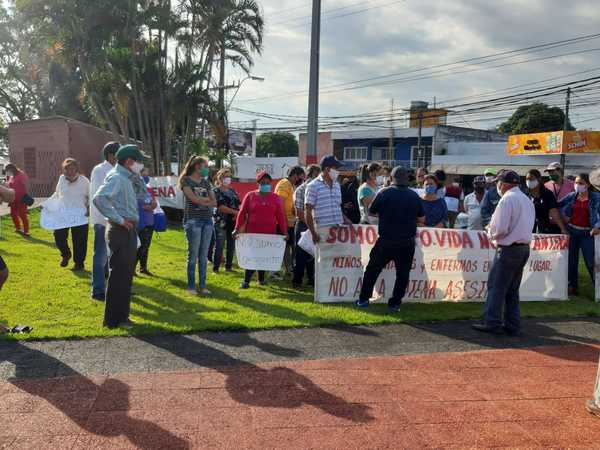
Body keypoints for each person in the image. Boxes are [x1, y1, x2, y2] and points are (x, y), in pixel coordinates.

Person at [473, 170, 535, 336]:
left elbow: (500, 229)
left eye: (497, 182)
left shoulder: (507, 199)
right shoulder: (526, 199)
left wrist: (489, 232)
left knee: (497, 287)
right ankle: (512, 324)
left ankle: (491, 322)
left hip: (508, 249)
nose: (496, 185)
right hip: (523, 248)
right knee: (512, 289)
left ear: (504, 183)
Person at [93, 144, 149, 329]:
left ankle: (122, 317)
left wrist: (138, 178)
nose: (141, 165)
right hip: (120, 229)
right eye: (139, 161)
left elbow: (142, 195)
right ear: (129, 161)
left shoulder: (128, 177)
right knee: (119, 277)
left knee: (125, 277)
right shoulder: (117, 177)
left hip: (128, 229)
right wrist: (118, 218)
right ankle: (113, 320)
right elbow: (99, 198)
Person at [355, 166, 425, 312]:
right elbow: (422, 218)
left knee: (372, 269)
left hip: (386, 240)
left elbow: (372, 212)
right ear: (406, 179)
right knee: (403, 274)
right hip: (407, 242)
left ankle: (363, 299)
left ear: (392, 178)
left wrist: (388, 214)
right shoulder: (414, 195)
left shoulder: (384, 193)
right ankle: (395, 304)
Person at [234, 171, 287, 289]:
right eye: (263, 182)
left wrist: (284, 232)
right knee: (252, 256)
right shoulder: (250, 196)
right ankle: (246, 281)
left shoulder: (275, 198)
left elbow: (281, 216)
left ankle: (261, 280)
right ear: (258, 183)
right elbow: (242, 213)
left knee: (264, 256)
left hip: (269, 233)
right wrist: (237, 228)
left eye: (268, 183)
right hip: (252, 233)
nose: (266, 185)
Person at [178, 156, 217, 296]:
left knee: (203, 255)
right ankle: (190, 286)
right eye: (205, 166)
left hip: (207, 220)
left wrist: (203, 201)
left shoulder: (206, 183)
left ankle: (202, 286)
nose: (207, 169)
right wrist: (206, 200)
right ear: (197, 166)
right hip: (193, 221)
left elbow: (214, 202)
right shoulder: (186, 180)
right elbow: (193, 199)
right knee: (193, 255)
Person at [560, 173, 600, 297]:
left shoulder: (596, 197)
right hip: (572, 231)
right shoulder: (572, 196)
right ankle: (573, 287)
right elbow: (556, 205)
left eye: (581, 183)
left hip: (587, 233)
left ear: (588, 185)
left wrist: (598, 226)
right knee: (571, 261)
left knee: (590, 262)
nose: (577, 185)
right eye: (576, 183)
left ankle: (598, 288)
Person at [90, 142, 119, 301]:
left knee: (113, 255)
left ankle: (113, 287)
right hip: (103, 220)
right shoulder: (100, 170)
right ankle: (97, 290)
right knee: (100, 255)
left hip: (117, 220)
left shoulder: (118, 171)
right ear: (110, 155)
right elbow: (99, 196)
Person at [50, 158, 90, 270]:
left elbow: (91, 196)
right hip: (63, 214)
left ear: (77, 169)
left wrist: (89, 208)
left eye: (72, 168)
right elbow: (57, 194)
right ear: (64, 170)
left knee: (79, 240)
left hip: (80, 215)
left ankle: (79, 263)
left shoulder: (84, 181)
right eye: (66, 169)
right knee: (58, 236)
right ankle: (66, 254)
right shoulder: (62, 179)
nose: (69, 171)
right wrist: (49, 203)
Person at [306, 155, 348, 245]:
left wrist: (348, 222)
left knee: (338, 258)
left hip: (339, 233)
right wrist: (313, 233)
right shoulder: (313, 186)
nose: (338, 171)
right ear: (327, 169)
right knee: (323, 259)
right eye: (336, 168)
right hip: (322, 233)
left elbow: (338, 207)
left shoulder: (337, 185)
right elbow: (308, 211)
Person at [292, 164, 321, 290]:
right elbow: (299, 212)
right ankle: (297, 281)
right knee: (301, 255)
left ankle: (311, 280)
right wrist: (312, 225)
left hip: (314, 224)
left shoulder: (315, 188)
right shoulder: (301, 189)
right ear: (314, 174)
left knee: (312, 254)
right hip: (304, 225)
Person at [275, 166, 305, 275]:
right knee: (286, 246)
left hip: (291, 221)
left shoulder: (290, 185)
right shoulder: (284, 184)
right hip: (284, 222)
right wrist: (283, 222)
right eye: (299, 177)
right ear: (295, 175)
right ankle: (288, 268)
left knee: (292, 245)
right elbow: (280, 203)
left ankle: (291, 267)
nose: (300, 180)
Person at [213, 168, 240, 273]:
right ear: (220, 178)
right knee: (219, 244)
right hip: (221, 221)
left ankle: (228, 267)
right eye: (225, 177)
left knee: (231, 245)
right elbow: (220, 207)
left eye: (229, 177)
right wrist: (235, 213)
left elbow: (238, 204)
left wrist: (237, 214)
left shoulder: (233, 191)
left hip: (233, 221)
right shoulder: (216, 191)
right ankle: (216, 268)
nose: (228, 179)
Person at [525, 169, 567, 235]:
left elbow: (554, 212)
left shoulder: (547, 194)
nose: (528, 181)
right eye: (527, 179)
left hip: (543, 230)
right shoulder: (525, 194)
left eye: (531, 179)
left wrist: (563, 228)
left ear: (538, 179)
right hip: (527, 230)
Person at [136, 168, 158, 276]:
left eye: (147, 173)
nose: (146, 175)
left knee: (146, 246)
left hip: (150, 221)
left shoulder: (149, 189)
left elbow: (154, 203)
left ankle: (143, 267)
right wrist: (145, 206)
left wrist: (152, 205)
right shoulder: (134, 188)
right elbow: (135, 204)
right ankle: (131, 269)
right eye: (143, 173)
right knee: (138, 246)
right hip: (140, 221)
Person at [5, 164, 30, 237]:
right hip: (13, 198)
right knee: (13, 214)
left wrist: (27, 194)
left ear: (12, 169)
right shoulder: (11, 176)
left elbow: (27, 184)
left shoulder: (21, 174)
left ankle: (26, 231)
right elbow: (9, 185)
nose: (8, 172)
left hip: (22, 198)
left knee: (22, 215)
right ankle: (18, 228)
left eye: (8, 171)